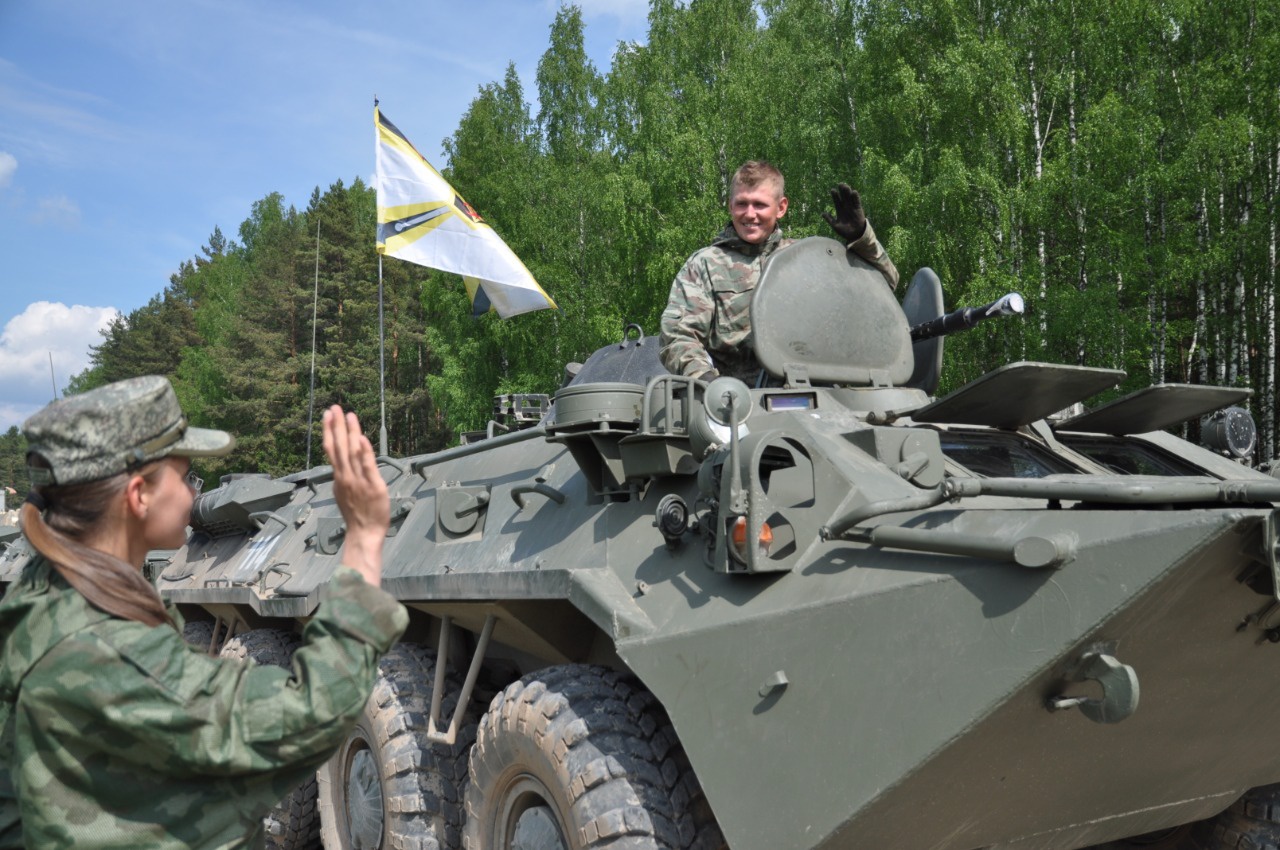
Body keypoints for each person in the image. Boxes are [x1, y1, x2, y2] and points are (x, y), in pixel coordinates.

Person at [0, 375, 407, 849]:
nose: (196, 491)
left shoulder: (37, 600)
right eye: (186, 473)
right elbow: (307, 715)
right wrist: (362, 538)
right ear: (138, 495)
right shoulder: (106, 650)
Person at [659, 160, 899, 383]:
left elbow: (884, 292)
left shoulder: (807, 257)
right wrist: (706, 380)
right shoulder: (706, 265)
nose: (750, 214)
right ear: (730, 205)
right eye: (742, 203)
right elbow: (678, 336)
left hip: (817, 393)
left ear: (781, 207)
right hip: (740, 403)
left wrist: (862, 239)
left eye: (760, 204)